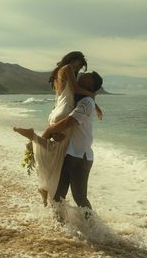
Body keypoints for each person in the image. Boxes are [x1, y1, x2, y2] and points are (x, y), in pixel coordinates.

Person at [14, 52, 103, 206]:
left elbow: (77, 96)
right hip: (64, 116)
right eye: (79, 65)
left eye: (81, 68)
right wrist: (93, 97)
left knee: (54, 152)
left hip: (58, 114)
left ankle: (43, 182)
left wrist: (95, 104)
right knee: (54, 150)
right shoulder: (68, 70)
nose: (79, 70)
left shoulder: (64, 77)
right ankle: (35, 141)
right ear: (72, 60)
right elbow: (76, 90)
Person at [42, 71, 103, 219]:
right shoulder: (78, 100)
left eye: (87, 76)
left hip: (80, 156)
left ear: (90, 84)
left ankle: (94, 228)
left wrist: (49, 131)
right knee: (57, 195)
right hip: (67, 154)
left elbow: (71, 121)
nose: (82, 75)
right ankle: (60, 226)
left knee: (80, 197)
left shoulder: (87, 102)